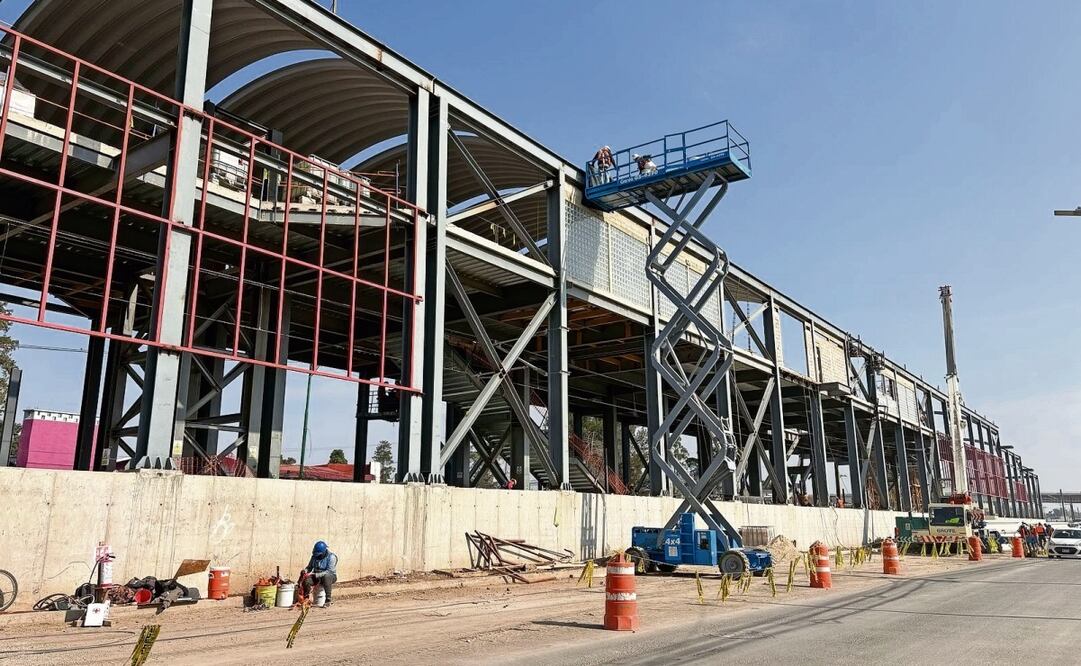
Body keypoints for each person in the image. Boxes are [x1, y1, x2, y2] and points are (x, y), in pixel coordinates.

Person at [300, 540, 338, 607]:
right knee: (306, 580)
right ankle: (306, 599)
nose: (318, 556)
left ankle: (328, 600)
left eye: (319, 555)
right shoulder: (314, 556)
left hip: (330, 576)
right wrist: (305, 571)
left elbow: (329, 571)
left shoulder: (331, 557)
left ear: (323, 552)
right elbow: (309, 567)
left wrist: (317, 575)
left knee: (326, 577)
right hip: (316, 576)